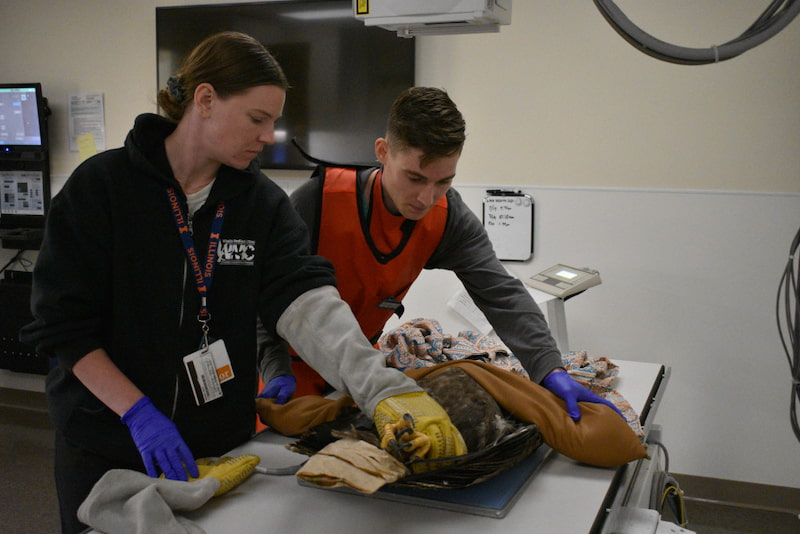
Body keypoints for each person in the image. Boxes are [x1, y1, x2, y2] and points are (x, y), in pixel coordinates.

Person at [20, 34, 462, 534]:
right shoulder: (101, 188)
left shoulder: (261, 205)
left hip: (216, 443)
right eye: (257, 119)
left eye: (273, 121)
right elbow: (62, 328)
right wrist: (138, 412)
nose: (270, 135)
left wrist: (382, 389)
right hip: (106, 438)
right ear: (205, 100)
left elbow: (307, 300)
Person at [258, 86, 621, 422]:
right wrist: (274, 366)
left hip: (363, 371)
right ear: (383, 151)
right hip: (285, 373)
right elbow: (261, 295)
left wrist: (549, 367)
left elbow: (500, 293)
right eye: (415, 178)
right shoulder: (317, 203)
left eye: (443, 181)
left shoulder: (449, 218)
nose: (426, 198)